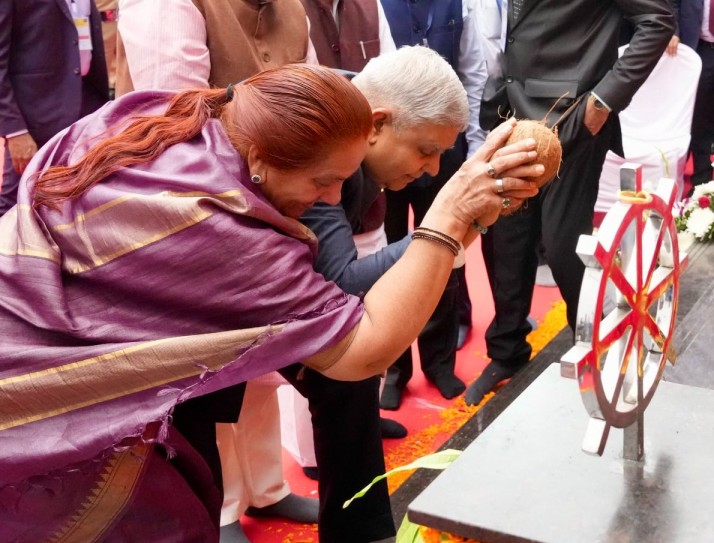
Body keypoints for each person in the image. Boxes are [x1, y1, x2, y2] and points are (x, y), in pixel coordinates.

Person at [0, 64, 540, 541]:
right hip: (36, 397)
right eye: (323, 182)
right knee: (147, 512)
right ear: (260, 157)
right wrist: (447, 219)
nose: (330, 201)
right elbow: (364, 349)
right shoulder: (223, 228)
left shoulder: (185, 116)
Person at [115, 1, 320, 540]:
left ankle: (267, 488)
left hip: (266, 200)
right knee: (211, 367)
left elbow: (315, 94)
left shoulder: (290, 7)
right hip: (188, 208)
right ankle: (224, 505)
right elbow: (179, 121)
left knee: (263, 357)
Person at [466, 0, 675, 406]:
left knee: (563, 245)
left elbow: (659, 19)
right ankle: (506, 351)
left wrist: (604, 100)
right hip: (509, 109)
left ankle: (598, 345)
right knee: (509, 239)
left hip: (572, 114)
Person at [379, 0, 489, 409]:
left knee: (445, 254)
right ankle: (394, 368)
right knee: (385, 262)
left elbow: (473, 74)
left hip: (444, 152)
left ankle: (439, 362)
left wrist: (474, 143)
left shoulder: (459, 4)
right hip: (388, 156)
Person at [0, 0, 109, 217]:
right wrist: (15, 131)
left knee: (84, 200)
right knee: (17, 204)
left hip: (89, 103)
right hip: (36, 116)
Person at [674, 0, 714, 190]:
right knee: (699, 114)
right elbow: (672, 3)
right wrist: (673, 32)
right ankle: (702, 181)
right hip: (700, 50)